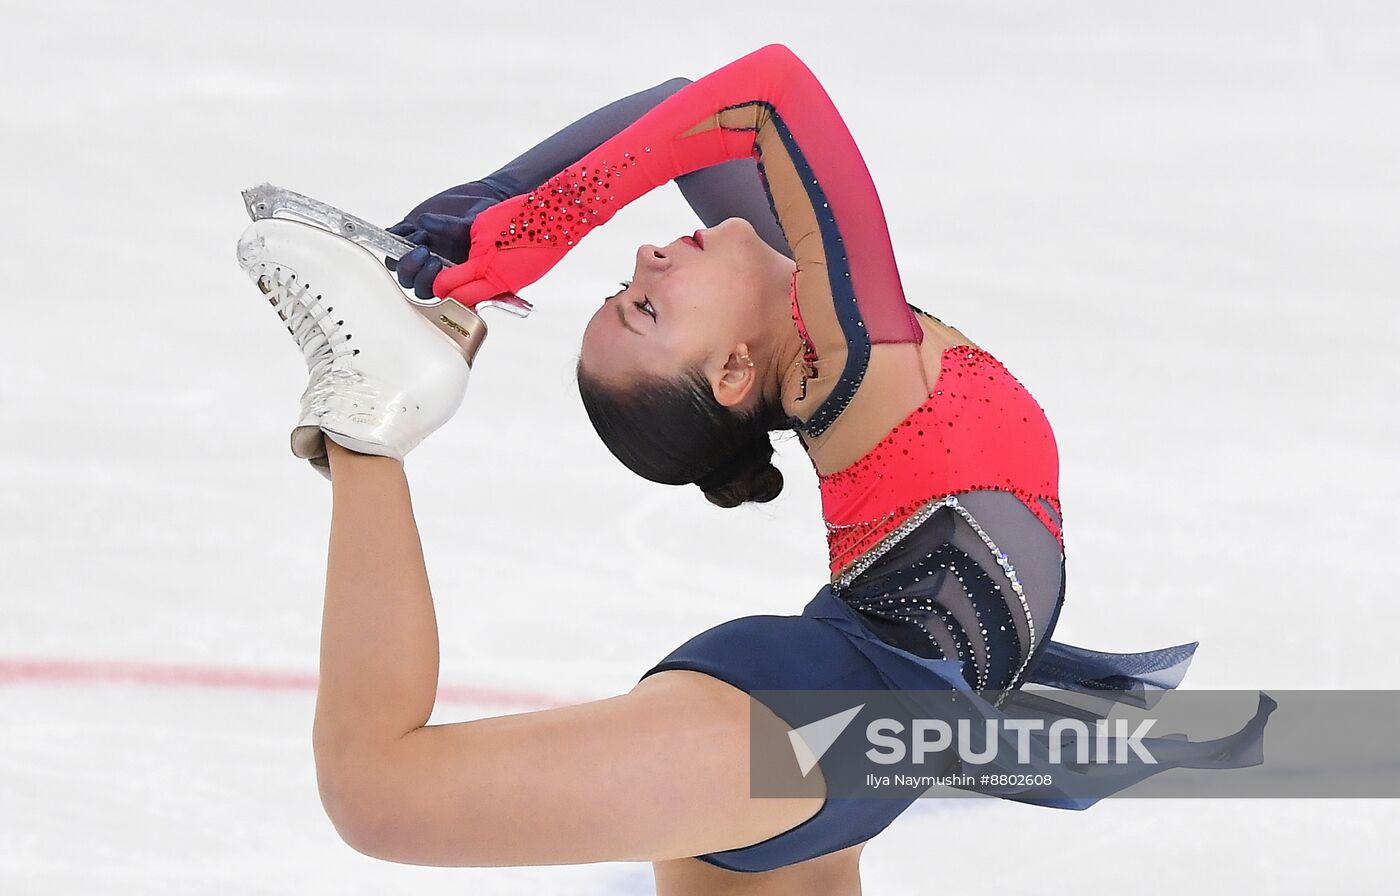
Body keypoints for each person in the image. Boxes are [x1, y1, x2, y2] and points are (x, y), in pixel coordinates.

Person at [237, 44, 1273, 893]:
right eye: (645, 311)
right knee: (377, 786)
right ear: (733, 369)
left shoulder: (819, 317)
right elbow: (766, 96)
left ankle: (385, 372)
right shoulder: (852, 346)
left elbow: (686, 109)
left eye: (624, 285)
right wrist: (523, 233)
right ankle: (370, 412)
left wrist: (460, 228)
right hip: (826, 713)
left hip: (865, 743)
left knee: (377, 788)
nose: (642, 258)